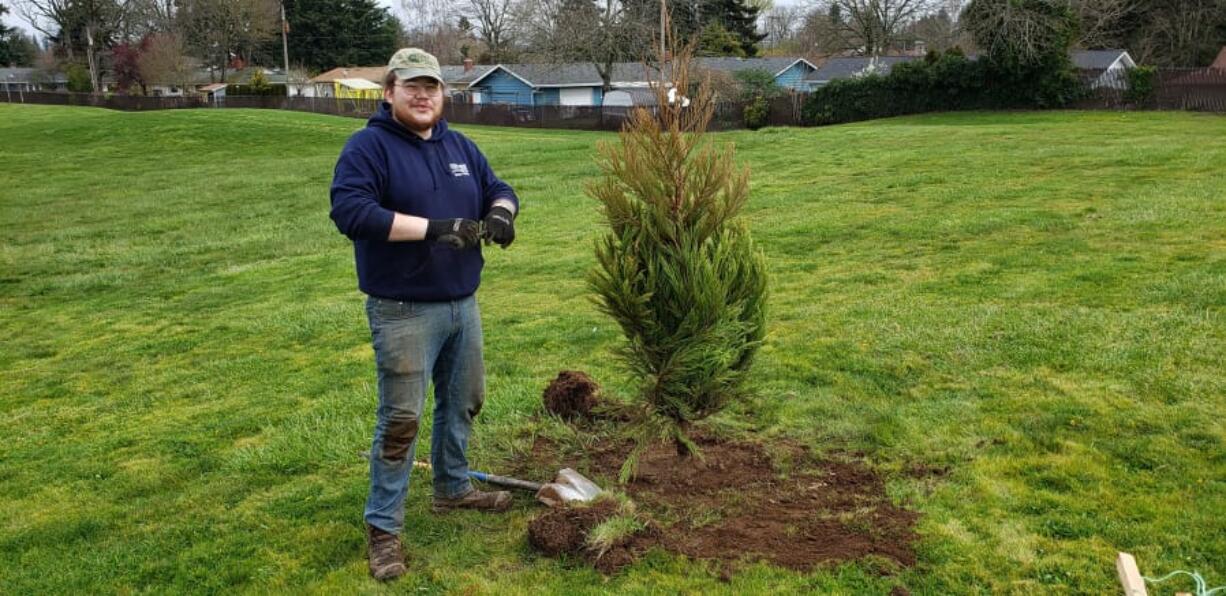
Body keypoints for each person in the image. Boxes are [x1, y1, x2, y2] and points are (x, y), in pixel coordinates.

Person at [328, 47, 519, 582]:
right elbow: (351, 211)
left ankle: (453, 490)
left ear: (442, 94)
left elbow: (498, 188)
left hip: (463, 304)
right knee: (401, 421)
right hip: (404, 309)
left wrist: (501, 213)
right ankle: (383, 529)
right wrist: (434, 228)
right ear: (389, 92)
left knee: (464, 402)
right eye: (410, 86)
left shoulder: (459, 146)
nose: (422, 95)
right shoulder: (368, 148)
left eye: (431, 86)